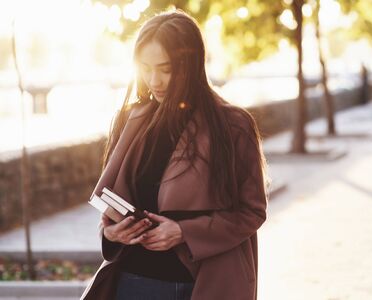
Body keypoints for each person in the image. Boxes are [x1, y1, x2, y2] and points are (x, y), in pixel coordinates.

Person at [81, 9, 268, 300]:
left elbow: (252, 211)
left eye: (165, 69)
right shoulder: (130, 120)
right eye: (145, 67)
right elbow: (113, 203)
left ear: (190, 65)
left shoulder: (232, 125)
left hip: (204, 284)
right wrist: (111, 234)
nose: (154, 80)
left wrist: (184, 232)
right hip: (132, 281)